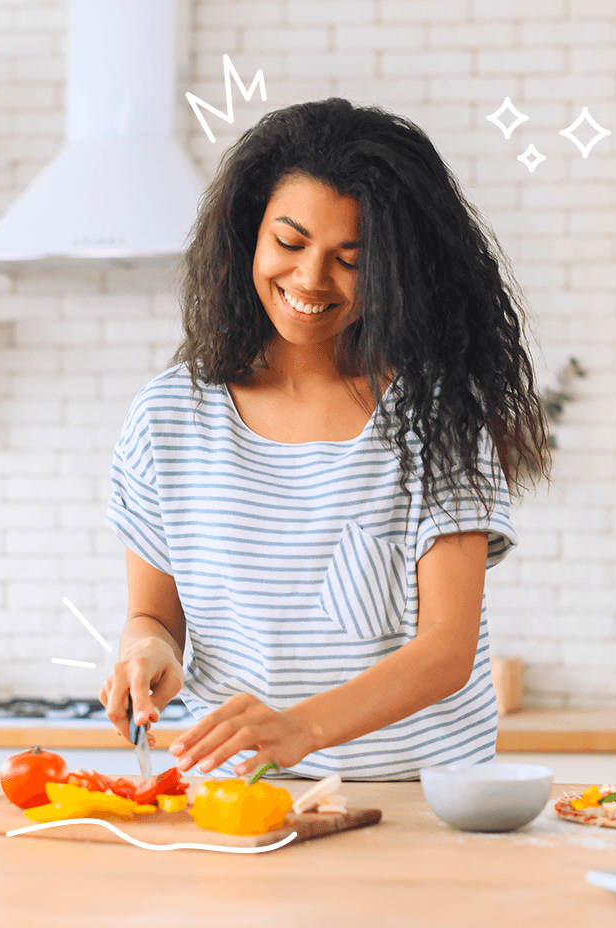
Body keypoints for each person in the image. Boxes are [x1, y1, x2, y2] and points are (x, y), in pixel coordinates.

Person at [99, 98, 550, 780]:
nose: (310, 279)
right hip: (239, 798)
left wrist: (299, 729)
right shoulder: (169, 417)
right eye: (290, 242)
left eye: (351, 259)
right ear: (248, 233)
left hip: (414, 803)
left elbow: (447, 650)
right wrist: (148, 651)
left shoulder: (437, 415)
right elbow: (152, 617)